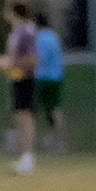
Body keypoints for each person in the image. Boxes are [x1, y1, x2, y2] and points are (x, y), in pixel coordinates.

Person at [0, 0, 41, 176]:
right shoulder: (18, 32)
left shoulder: (26, 32)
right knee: (19, 117)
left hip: (25, 78)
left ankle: (28, 158)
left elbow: (32, 59)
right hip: (17, 78)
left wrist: (11, 63)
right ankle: (24, 157)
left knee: (26, 117)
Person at [32, 8, 67, 152]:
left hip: (42, 77)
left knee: (31, 109)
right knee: (54, 108)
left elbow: (39, 58)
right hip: (56, 76)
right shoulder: (53, 36)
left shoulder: (39, 38)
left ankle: (28, 140)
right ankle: (59, 140)